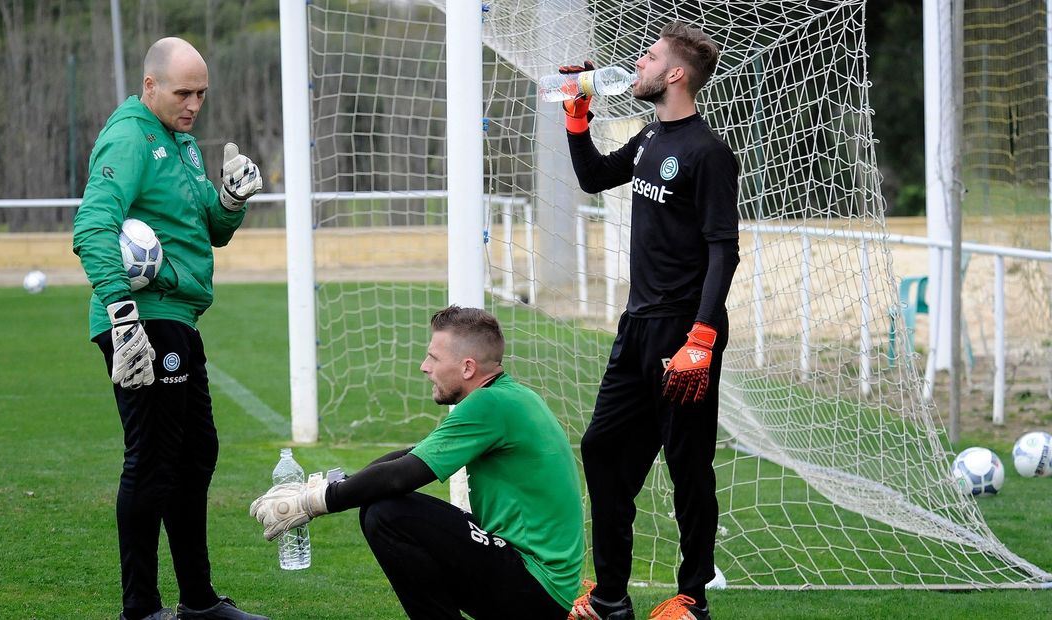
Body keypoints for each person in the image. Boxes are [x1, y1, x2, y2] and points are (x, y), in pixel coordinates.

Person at [72, 37, 267, 620]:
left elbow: (210, 228)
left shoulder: (181, 144)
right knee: (154, 461)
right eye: (183, 92)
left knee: (194, 454)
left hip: (177, 318)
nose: (194, 105)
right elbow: (92, 223)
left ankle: (199, 602)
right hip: (144, 317)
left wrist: (231, 200)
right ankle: (142, 608)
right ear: (150, 86)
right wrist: (122, 316)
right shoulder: (130, 136)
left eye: (202, 94)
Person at [560, 21, 740, 620]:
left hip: (684, 333)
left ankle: (692, 599)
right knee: (602, 449)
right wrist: (577, 116)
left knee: (687, 465)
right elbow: (591, 177)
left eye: (651, 55)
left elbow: (723, 249)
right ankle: (611, 597)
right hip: (636, 327)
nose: (640, 61)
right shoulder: (645, 140)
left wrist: (702, 337)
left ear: (677, 74)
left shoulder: (708, 153)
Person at [249, 305, 585, 620]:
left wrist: (314, 502)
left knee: (388, 514)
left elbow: (402, 476)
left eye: (433, 357)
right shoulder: (507, 396)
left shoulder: (491, 403)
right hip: (534, 580)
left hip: (536, 588)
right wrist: (331, 485)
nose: (425, 366)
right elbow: (407, 458)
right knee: (380, 506)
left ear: (467, 367)